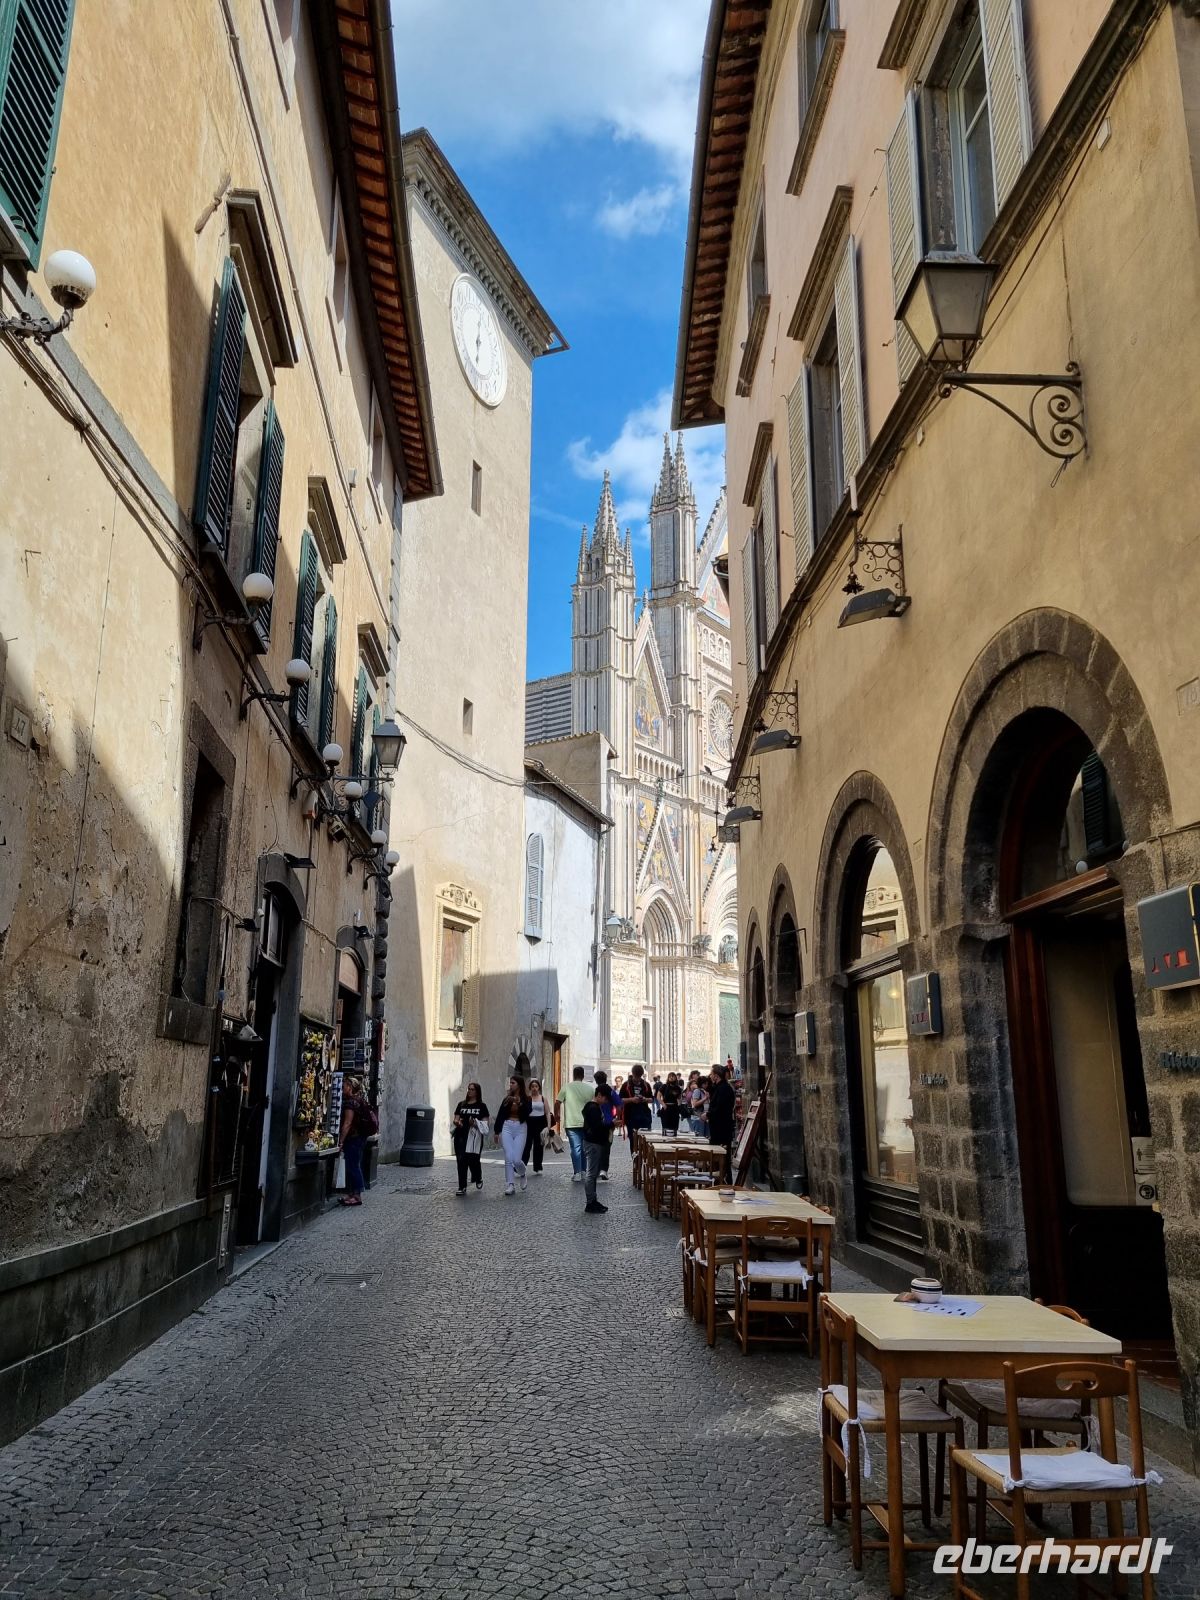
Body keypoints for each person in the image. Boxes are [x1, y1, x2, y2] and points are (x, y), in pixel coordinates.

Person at [338, 1076, 374, 1207]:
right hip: (360, 1137)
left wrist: (341, 1140)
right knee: (354, 1164)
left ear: (350, 1087)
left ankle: (357, 1195)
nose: (342, 1088)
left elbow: (347, 1123)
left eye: (344, 1086)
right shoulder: (359, 1100)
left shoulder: (351, 1103)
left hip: (354, 1138)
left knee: (353, 1166)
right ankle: (353, 1193)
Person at [451, 1081, 490, 1196]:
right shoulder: (461, 1104)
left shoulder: (481, 1106)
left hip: (475, 1136)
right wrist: (457, 1122)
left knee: (473, 1159)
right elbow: (456, 1118)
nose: (470, 1091)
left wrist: (476, 1123)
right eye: (468, 1089)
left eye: (472, 1089)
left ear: (477, 1091)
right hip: (461, 1135)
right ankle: (462, 1186)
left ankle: (478, 1177)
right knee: (461, 1160)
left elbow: (486, 1122)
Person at [493, 1076, 531, 1195]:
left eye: (513, 1083)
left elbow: (527, 1112)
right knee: (509, 1157)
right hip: (507, 1126)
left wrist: (520, 1103)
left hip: (520, 1128)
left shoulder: (526, 1099)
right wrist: (496, 1131)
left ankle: (522, 1173)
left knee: (517, 1159)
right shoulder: (507, 1099)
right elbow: (500, 1115)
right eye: (510, 1083)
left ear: (519, 1084)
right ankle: (510, 1184)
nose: (511, 1085)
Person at [556, 1065, 592, 1183]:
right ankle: (583, 1171)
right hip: (586, 1123)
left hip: (571, 1123)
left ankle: (577, 1172)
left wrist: (557, 1115)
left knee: (575, 1148)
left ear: (573, 1075)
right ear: (582, 1076)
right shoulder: (589, 1088)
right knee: (584, 1148)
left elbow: (558, 1102)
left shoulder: (566, 1087)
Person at [582, 1082, 611, 1214]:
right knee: (591, 1174)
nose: (605, 1102)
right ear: (599, 1095)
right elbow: (597, 1127)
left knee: (592, 1174)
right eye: (605, 1098)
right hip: (593, 1143)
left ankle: (593, 1200)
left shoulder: (594, 1107)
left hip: (594, 1143)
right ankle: (590, 1202)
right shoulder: (593, 1108)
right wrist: (611, 1124)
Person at [707, 1061, 737, 1182]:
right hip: (718, 1128)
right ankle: (721, 1178)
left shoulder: (724, 1089)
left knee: (722, 1157)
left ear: (716, 1075)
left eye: (711, 1074)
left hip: (721, 1129)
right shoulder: (719, 1088)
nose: (710, 1076)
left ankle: (723, 1180)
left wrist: (708, 1114)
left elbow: (719, 1108)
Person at [620, 1063, 654, 1156]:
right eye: (636, 1077)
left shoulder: (646, 1085)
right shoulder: (626, 1085)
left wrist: (644, 1099)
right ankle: (635, 1162)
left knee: (645, 1138)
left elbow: (651, 1099)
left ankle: (644, 1159)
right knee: (633, 1139)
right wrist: (631, 1099)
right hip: (630, 1116)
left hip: (644, 1116)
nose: (637, 1079)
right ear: (633, 1074)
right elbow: (620, 1100)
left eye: (639, 1077)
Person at [523, 1077, 554, 1174]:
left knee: (538, 1146)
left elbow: (548, 1112)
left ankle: (537, 1167)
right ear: (530, 1088)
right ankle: (522, 1166)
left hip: (540, 1122)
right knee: (527, 1145)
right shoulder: (527, 1099)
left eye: (536, 1086)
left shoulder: (543, 1098)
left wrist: (548, 1126)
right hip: (529, 1122)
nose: (534, 1088)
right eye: (532, 1086)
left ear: (539, 1088)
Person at [594, 1069, 617, 1179]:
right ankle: (603, 1170)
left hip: (598, 1122)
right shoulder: (611, 1091)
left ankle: (597, 1169)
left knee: (598, 1145)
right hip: (609, 1122)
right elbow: (619, 1103)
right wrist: (616, 1118)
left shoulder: (595, 1091)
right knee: (607, 1146)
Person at [659, 1071, 682, 1135]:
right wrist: (663, 1104)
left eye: (673, 1076)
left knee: (674, 1127)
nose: (671, 1078)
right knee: (666, 1127)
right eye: (670, 1076)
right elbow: (658, 1096)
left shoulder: (678, 1088)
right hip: (666, 1108)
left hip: (674, 1108)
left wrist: (679, 1106)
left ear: (675, 1078)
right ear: (668, 1078)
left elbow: (679, 1098)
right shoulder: (664, 1086)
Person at [686, 1070, 708, 1136]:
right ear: (703, 1084)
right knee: (699, 1136)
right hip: (698, 1118)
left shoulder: (703, 1091)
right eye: (706, 1083)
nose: (707, 1085)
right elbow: (695, 1104)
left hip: (704, 1117)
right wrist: (705, 1098)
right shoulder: (697, 1091)